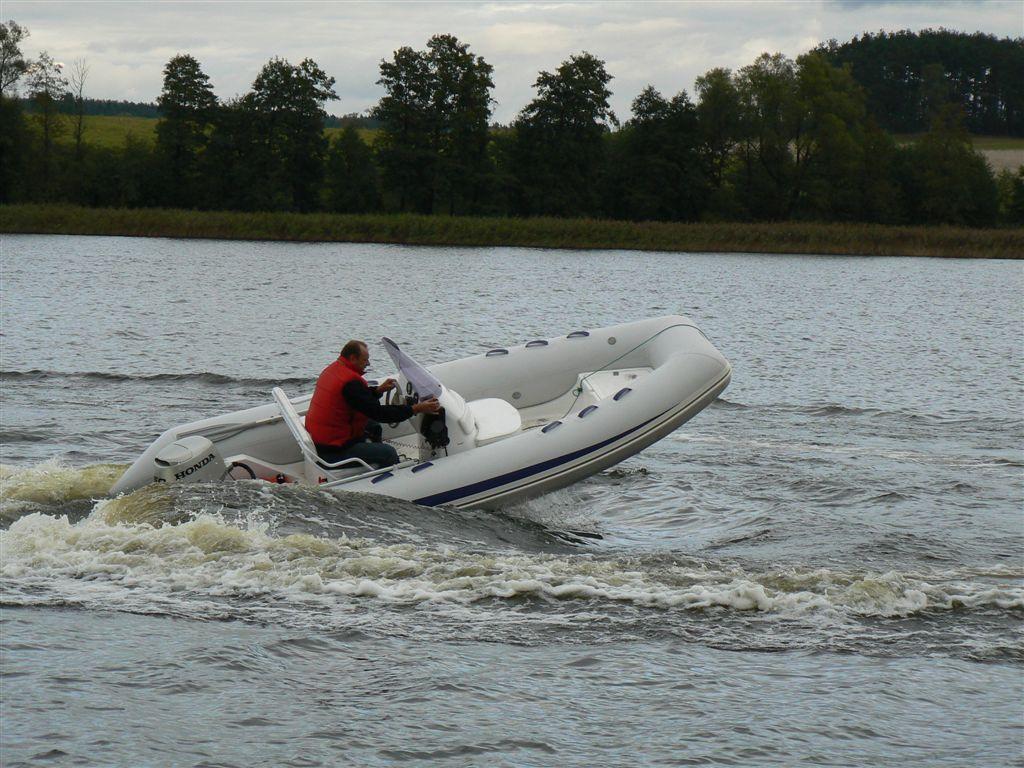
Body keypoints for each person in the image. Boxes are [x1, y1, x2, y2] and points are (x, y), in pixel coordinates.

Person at [305, 340, 441, 468]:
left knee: (373, 427)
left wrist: (377, 391)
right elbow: (380, 413)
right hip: (333, 450)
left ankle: (373, 458)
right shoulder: (350, 383)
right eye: (365, 360)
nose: (368, 363)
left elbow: (356, 399)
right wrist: (416, 408)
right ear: (353, 358)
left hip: (326, 439)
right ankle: (390, 477)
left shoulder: (334, 370)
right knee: (389, 453)